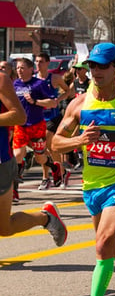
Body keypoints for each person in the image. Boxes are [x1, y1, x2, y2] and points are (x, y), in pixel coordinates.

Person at [51, 43, 115, 296]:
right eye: (92, 65)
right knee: (107, 245)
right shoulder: (79, 104)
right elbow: (55, 142)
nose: (96, 71)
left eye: (103, 66)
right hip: (92, 185)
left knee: (104, 243)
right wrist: (79, 141)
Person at [0, 71, 67, 246]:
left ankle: (45, 218)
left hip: (1, 162)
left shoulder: (1, 80)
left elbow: (19, 116)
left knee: (4, 228)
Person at [12, 58, 60, 195]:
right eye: (17, 68)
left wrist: (35, 101)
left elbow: (53, 102)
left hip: (37, 125)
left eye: (22, 68)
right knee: (17, 156)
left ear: (30, 69)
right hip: (20, 125)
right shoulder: (15, 84)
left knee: (40, 157)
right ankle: (15, 190)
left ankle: (53, 167)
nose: (19, 71)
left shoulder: (39, 84)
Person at [34, 52, 72, 189]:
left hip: (52, 117)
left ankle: (50, 177)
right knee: (42, 149)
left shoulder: (54, 78)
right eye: (36, 61)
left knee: (48, 146)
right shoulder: (33, 79)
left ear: (47, 63)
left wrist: (58, 100)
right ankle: (59, 173)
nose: (38, 64)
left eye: (41, 61)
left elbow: (68, 91)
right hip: (38, 117)